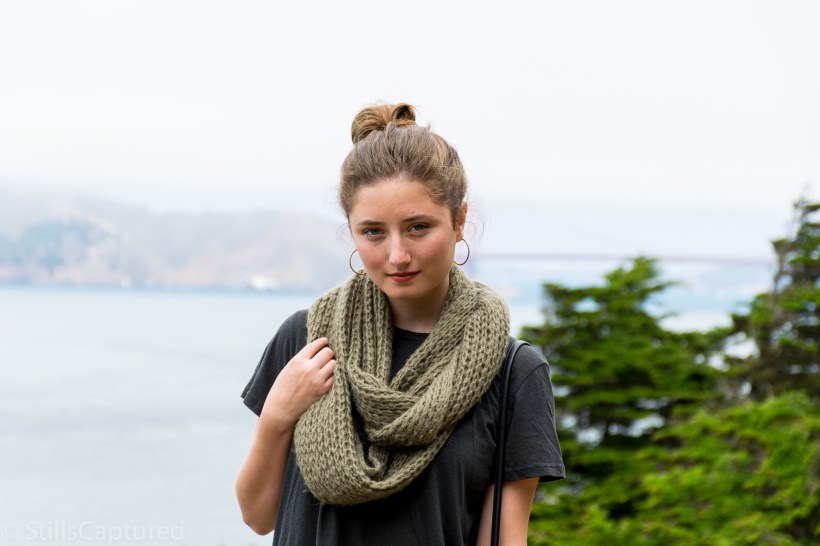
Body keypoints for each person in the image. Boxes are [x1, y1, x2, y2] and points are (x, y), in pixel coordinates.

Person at [235, 103, 564, 546]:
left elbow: (505, 538)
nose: (397, 255)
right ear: (351, 232)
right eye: (373, 232)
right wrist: (277, 415)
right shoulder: (307, 338)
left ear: (460, 221)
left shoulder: (513, 372)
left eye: (418, 227)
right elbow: (258, 516)